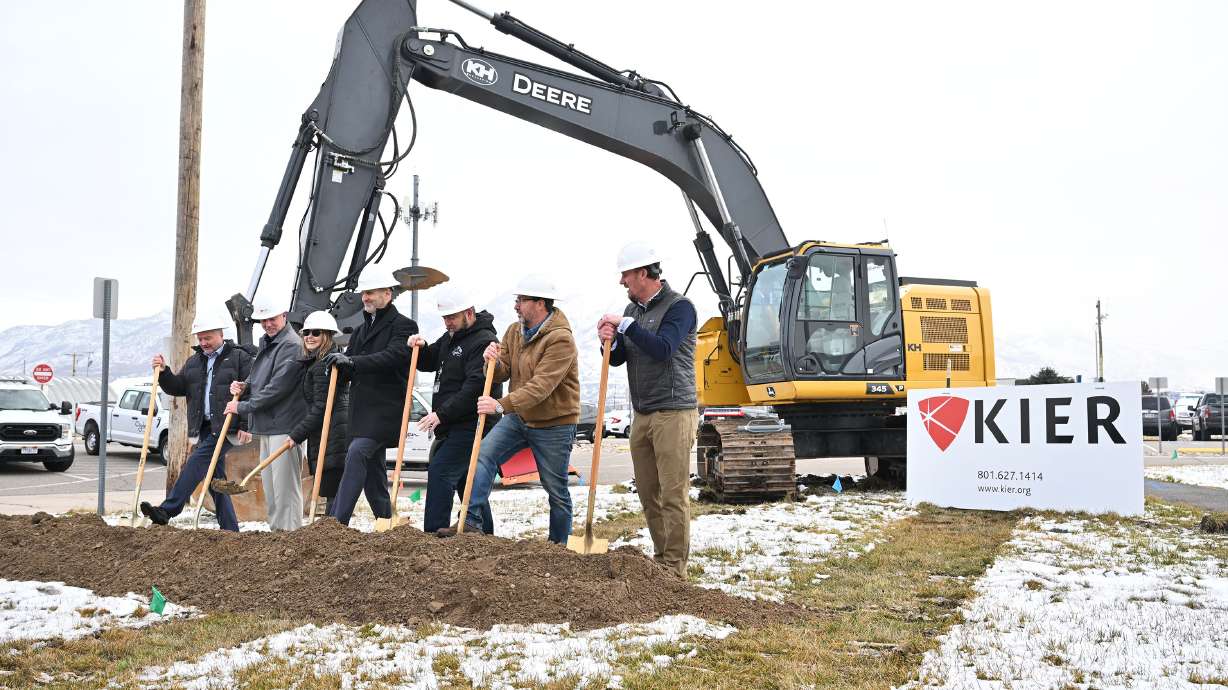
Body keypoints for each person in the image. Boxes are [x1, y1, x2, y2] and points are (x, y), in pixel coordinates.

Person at [442, 274, 579, 543]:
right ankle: (471, 521)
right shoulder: (514, 331)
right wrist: (490, 361)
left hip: (554, 423)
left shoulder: (561, 340)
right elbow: (502, 372)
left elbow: (541, 387)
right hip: (520, 417)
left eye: (521, 300)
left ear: (540, 303)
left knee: (555, 489)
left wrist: (500, 405)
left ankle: (559, 546)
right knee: (483, 455)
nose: (516, 306)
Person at [598, 242, 698, 576]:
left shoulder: (680, 307)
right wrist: (608, 341)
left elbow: (663, 349)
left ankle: (675, 567)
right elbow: (619, 358)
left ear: (643, 273)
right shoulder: (633, 311)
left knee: (673, 493)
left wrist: (627, 327)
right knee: (648, 492)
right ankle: (662, 556)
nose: (621, 281)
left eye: (625, 275)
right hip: (642, 413)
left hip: (673, 411)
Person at [140, 315, 253, 531]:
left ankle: (167, 510)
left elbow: (251, 391)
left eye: (207, 338)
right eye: (200, 339)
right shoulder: (194, 362)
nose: (203, 343)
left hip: (227, 425)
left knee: (196, 461)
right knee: (214, 478)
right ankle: (230, 529)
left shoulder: (239, 358)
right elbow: (178, 387)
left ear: (221, 334)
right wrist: (164, 372)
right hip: (204, 427)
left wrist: (246, 425)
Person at [324, 272, 418, 526]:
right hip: (361, 411)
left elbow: (393, 356)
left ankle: (336, 523)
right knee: (373, 472)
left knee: (357, 454)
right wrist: (337, 368)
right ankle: (387, 521)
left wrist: (352, 361)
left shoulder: (404, 326)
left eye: (371, 293)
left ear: (387, 294)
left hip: (386, 410)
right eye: (364, 293)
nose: (365, 298)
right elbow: (351, 368)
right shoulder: (360, 331)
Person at [407, 284, 500, 534]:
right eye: (445, 318)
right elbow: (430, 360)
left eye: (452, 317)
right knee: (465, 481)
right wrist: (420, 347)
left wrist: (441, 414)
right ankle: (484, 533)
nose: (447, 322)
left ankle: (433, 534)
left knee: (441, 472)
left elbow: (474, 387)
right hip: (452, 424)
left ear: (468, 313)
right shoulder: (451, 337)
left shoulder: (483, 341)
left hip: (472, 424)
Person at [226, 302, 307, 531]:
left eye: (272, 319)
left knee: (285, 488)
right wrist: (245, 385)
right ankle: (277, 534)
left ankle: (290, 535)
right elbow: (258, 377)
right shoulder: (268, 342)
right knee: (271, 487)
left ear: (284, 316)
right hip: (268, 425)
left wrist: (242, 407)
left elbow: (277, 388)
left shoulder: (291, 345)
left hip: (285, 426)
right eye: (263, 320)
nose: (268, 324)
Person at [286, 310, 349, 517]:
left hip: (333, 437)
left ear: (327, 336)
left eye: (316, 333)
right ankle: (332, 529)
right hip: (325, 435)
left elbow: (321, 408)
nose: (309, 337)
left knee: (333, 492)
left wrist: (297, 434)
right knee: (332, 492)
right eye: (306, 333)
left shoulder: (325, 365)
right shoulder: (316, 363)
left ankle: (333, 531)